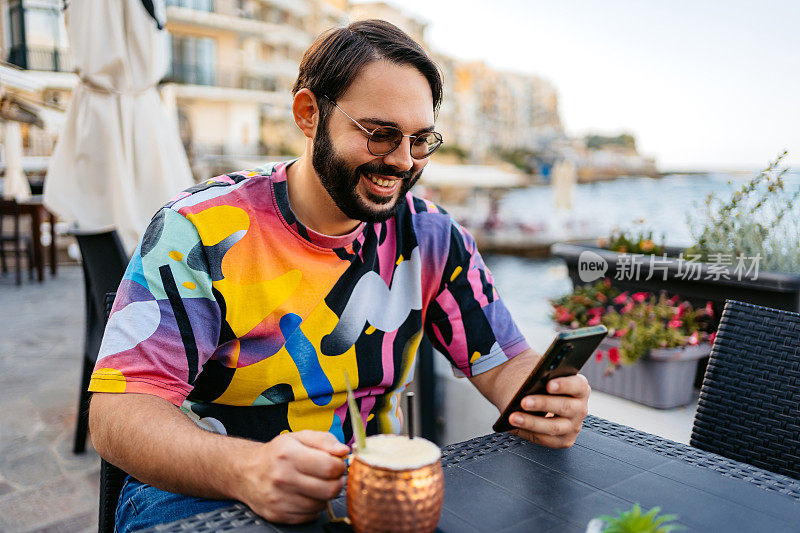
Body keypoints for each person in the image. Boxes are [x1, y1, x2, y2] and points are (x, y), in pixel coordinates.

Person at [88, 19, 591, 532]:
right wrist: (248, 470)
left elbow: (504, 363)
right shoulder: (199, 228)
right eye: (379, 135)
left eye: (420, 140)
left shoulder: (434, 236)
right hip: (201, 489)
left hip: (365, 488)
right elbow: (118, 413)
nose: (401, 162)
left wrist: (544, 398)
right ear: (309, 114)